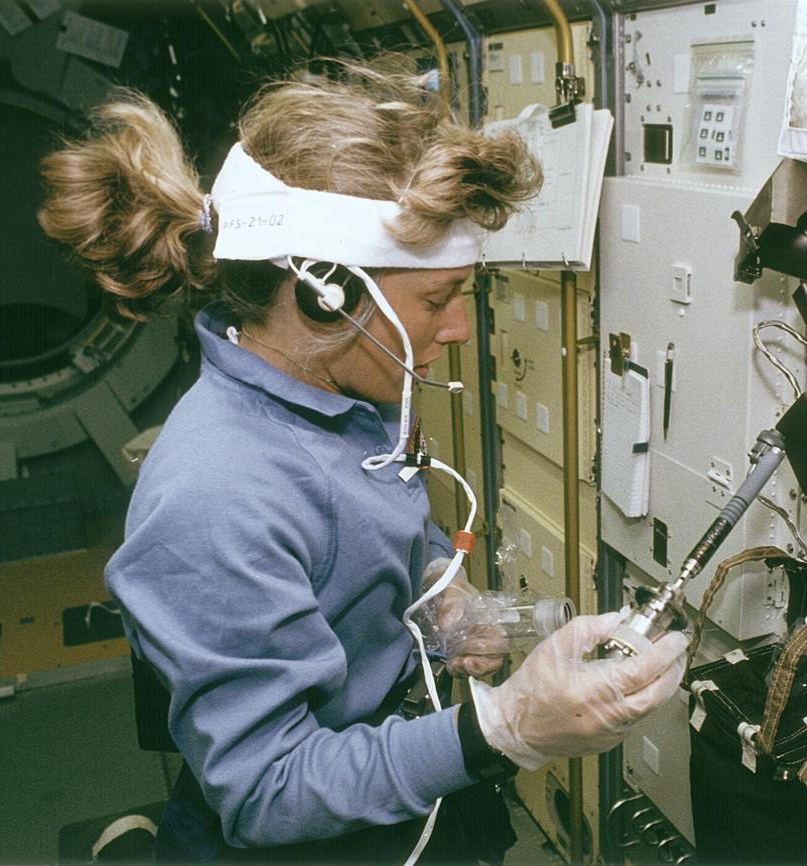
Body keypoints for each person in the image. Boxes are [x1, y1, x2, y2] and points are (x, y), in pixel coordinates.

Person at [38, 58, 688, 864]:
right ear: (325, 293)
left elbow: (341, 549)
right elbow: (266, 786)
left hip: (402, 779)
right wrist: (504, 727)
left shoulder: (344, 402)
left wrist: (431, 606)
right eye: (438, 298)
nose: (456, 329)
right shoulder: (216, 493)